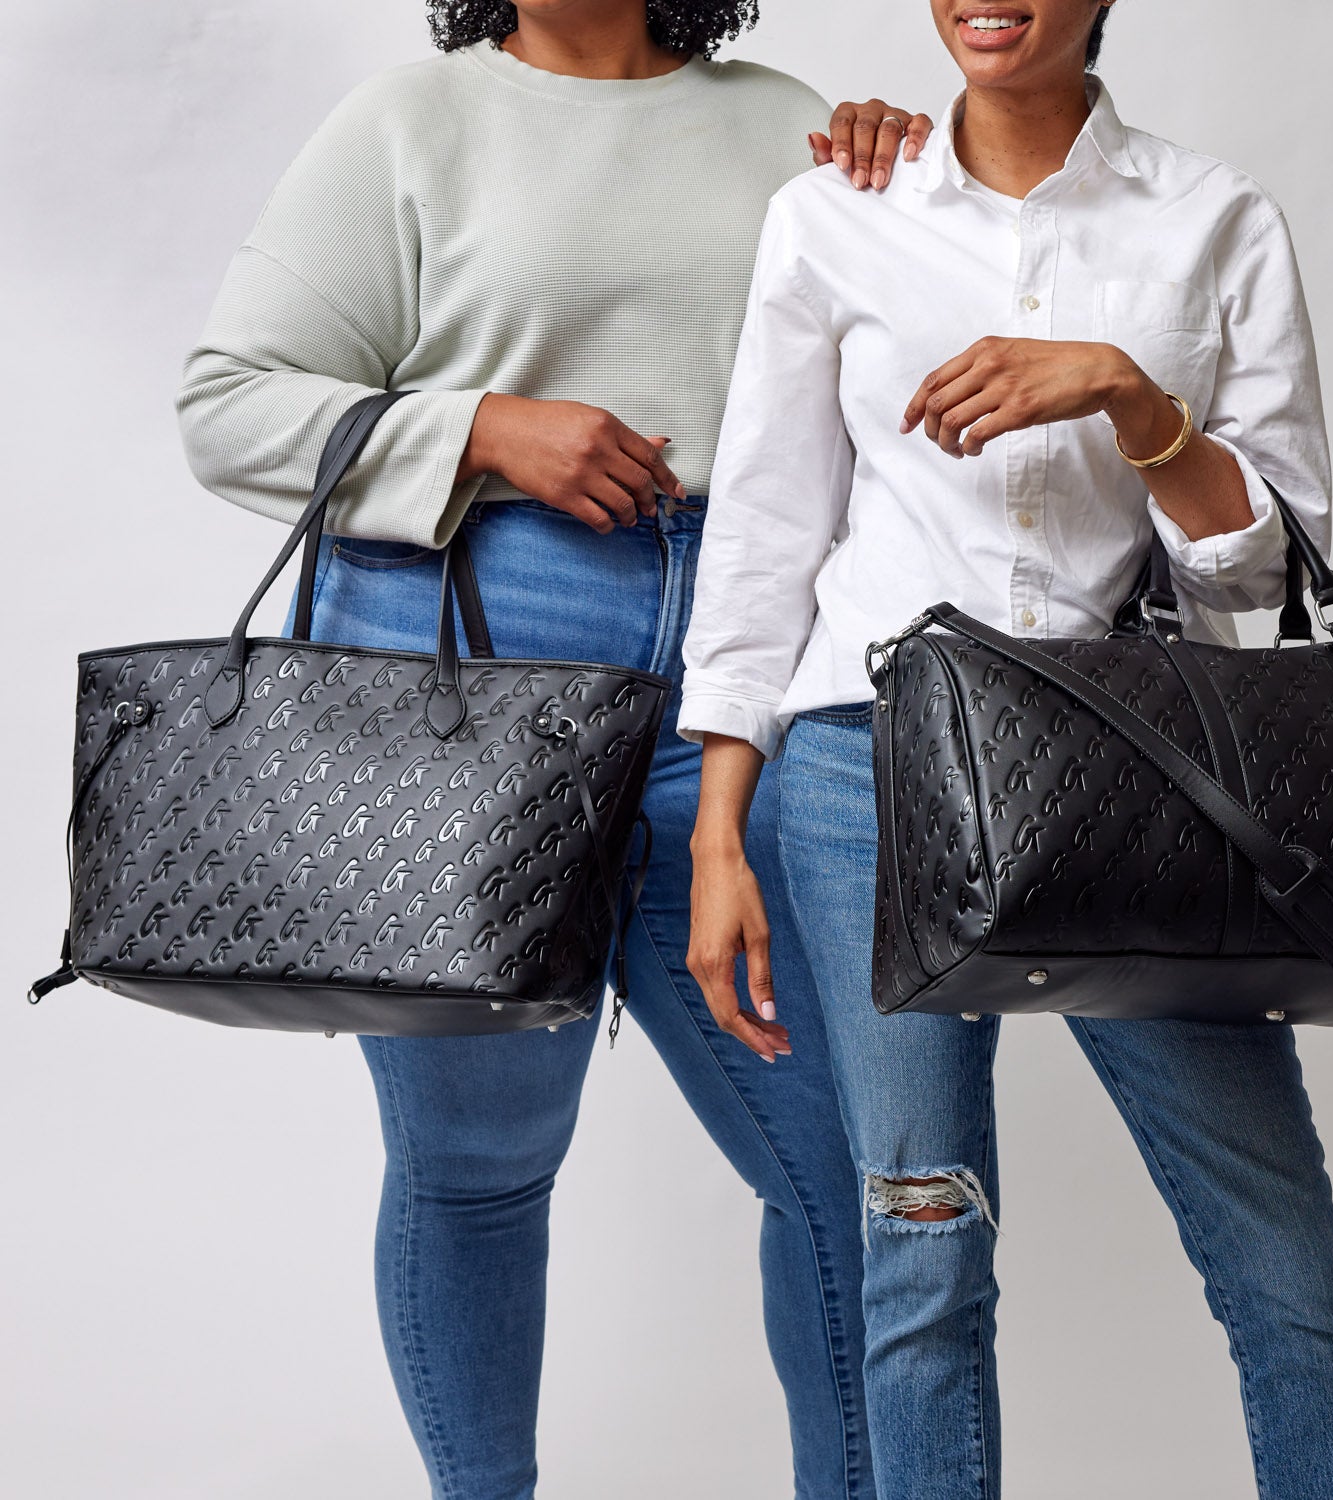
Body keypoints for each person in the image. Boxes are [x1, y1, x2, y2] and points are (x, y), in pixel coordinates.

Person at [176, 3, 934, 1496]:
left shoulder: (783, 118)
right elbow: (226, 406)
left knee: (852, 1173)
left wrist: (928, 182)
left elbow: (896, 371)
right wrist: (482, 430)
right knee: (478, 1166)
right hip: (478, 662)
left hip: (745, 667)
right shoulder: (414, 123)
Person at [679, 2, 1333, 1497]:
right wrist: (718, 833)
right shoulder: (832, 213)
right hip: (867, 774)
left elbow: (1264, 592)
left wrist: (1132, 401)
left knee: (1288, 1278)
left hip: (1135, 775)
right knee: (921, 1262)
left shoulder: (1216, 219)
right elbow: (764, 528)